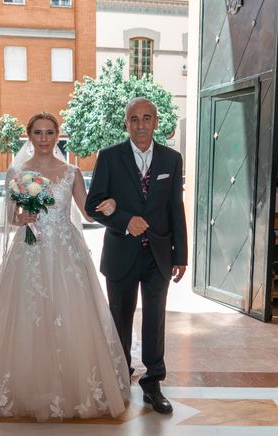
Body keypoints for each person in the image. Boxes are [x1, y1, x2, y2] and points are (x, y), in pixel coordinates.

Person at [0, 112, 129, 421]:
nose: (44, 138)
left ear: (57, 135)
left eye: (49, 132)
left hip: (66, 252)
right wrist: (20, 218)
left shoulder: (71, 172)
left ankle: (72, 385)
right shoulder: (18, 172)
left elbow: (88, 213)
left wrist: (112, 205)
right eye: (38, 132)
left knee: (71, 314)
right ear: (29, 135)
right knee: (28, 314)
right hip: (29, 250)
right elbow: (11, 216)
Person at [85, 97, 188, 415]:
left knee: (155, 319)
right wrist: (124, 220)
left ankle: (153, 383)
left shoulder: (171, 159)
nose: (141, 124)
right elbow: (93, 205)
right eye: (134, 119)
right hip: (121, 252)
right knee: (119, 317)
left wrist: (180, 254)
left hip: (158, 254)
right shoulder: (110, 157)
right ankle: (119, 376)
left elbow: (175, 207)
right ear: (126, 123)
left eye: (147, 118)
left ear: (156, 122)